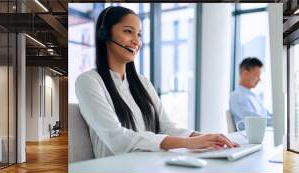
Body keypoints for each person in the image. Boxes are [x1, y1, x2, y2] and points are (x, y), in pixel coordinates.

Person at [75, 6, 238, 158]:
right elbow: (117, 138)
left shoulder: (142, 82)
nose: (136, 41)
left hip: (151, 163)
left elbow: (167, 127)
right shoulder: (88, 81)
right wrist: (190, 143)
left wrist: (206, 138)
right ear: (105, 34)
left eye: (138, 34)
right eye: (128, 31)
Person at [229, 57, 272, 131]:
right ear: (245, 74)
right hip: (248, 139)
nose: (259, 80)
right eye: (256, 76)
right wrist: (277, 122)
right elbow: (253, 120)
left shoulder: (254, 96)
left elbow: (266, 114)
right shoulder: (237, 96)